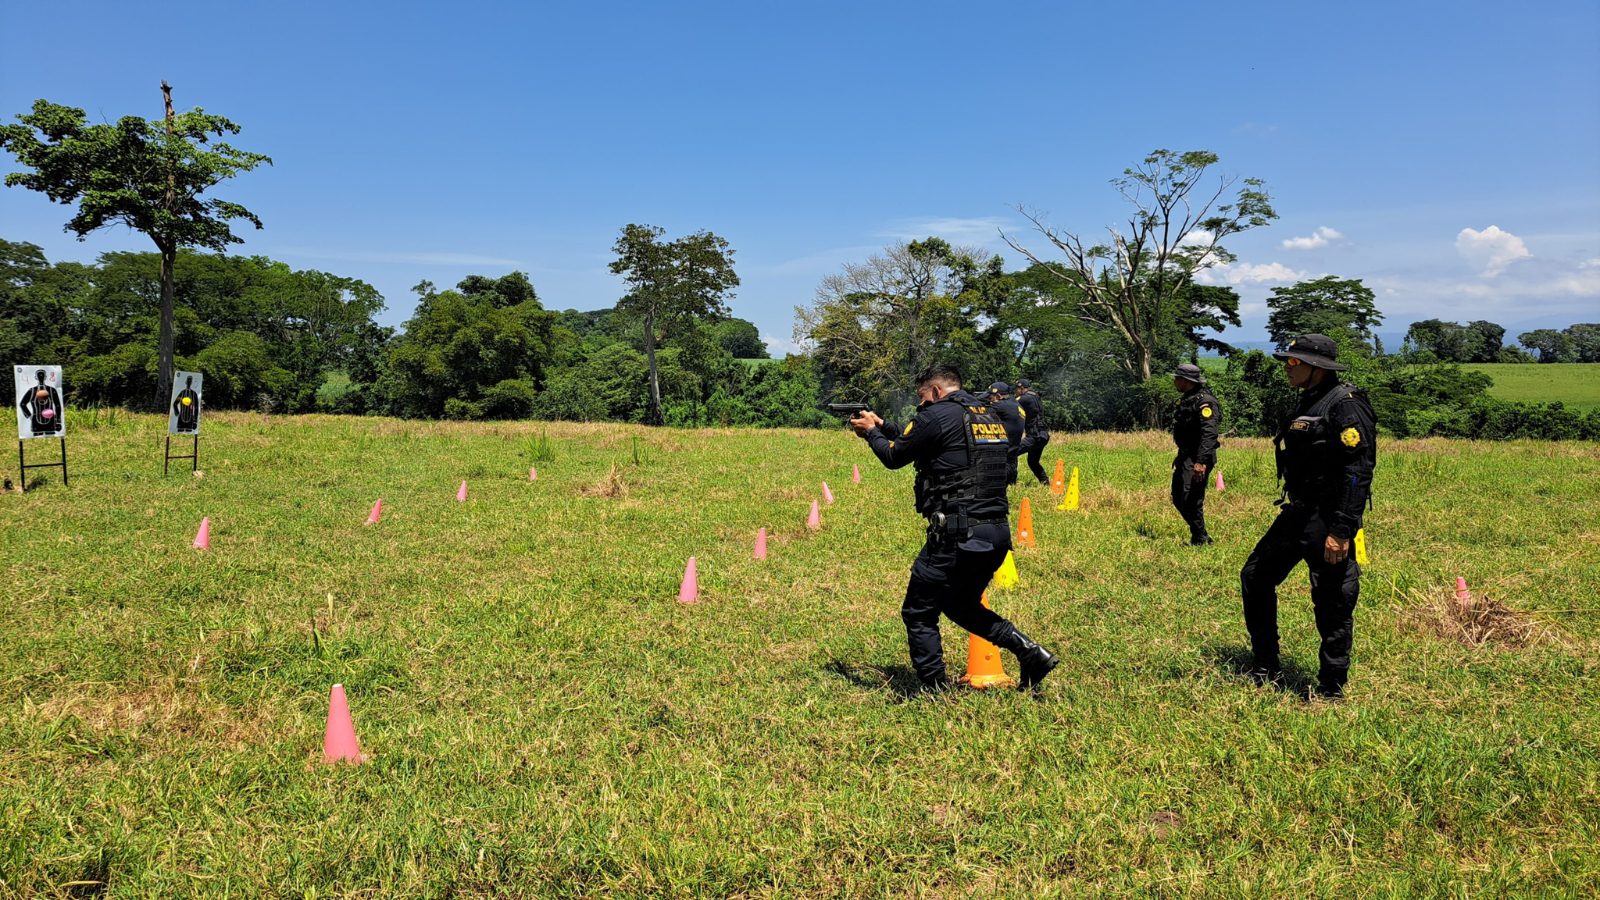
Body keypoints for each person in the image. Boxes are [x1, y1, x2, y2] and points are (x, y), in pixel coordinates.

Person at [850, 364, 1059, 693]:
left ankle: (933, 690)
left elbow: (895, 457)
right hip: (996, 533)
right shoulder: (987, 415)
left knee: (919, 611)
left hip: (957, 534)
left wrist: (870, 434)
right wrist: (883, 425)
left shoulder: (936, 414)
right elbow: (924, 440)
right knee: (961, 606)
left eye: (922, 397)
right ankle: (1030, 653)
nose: (921, 404)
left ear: (935, 391)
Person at [1240, 334, 1377, 700]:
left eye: (1293, 362)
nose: (1287, 368)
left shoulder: (1346, 406)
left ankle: (1331, 686)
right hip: (1298, 512)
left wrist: (1342, 530)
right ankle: (1265, 663)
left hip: (1329, 518)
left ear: (1316, 367)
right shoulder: (1309, 400)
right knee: (1255, 576)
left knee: (1332, 601)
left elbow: (1357, 471)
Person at [1170, 363, 1220, 545]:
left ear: (1186, 381)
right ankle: (1201, 535)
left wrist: (1201, 462)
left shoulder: (1205, 402)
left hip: (1199, 457)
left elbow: (1209, 434)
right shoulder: (1187, 399)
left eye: (1177, 379)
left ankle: (1200, 538)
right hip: (1185, 456)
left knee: (1191, 497)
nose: (1175, 382)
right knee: (1178, 497)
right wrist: (1180, 455)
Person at [985, 381, 1025, 485]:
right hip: (1012, 455)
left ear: (998, 396)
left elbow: (982, 410)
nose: (990, 399)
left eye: (990, 397)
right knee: (1010, 484)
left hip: (1003, 457)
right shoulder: (1016, 404)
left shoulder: (1001, 405)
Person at [1014, 379, 1050, 485]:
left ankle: (1011, 481)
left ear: (1021, 388)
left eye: (1016, 389)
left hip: (1034, 436)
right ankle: (1045, 483)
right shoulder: (1035, 396)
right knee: (1033, 462)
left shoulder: (1025, 398)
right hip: (1043, 435)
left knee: (1012, 452)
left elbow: (1010, 404)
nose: (1015, 392)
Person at [18, 368, 63, 437]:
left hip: (49, 421)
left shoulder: (51, 390)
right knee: (37, 439)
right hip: (37, 421)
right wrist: (30, 416)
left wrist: (58, 421)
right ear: (36, 377)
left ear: (45, 377)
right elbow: (22, 404)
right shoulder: (32, 391)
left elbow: (57, 405)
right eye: (39, 375)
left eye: (42, 375)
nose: (41, 377)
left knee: (50, 439)